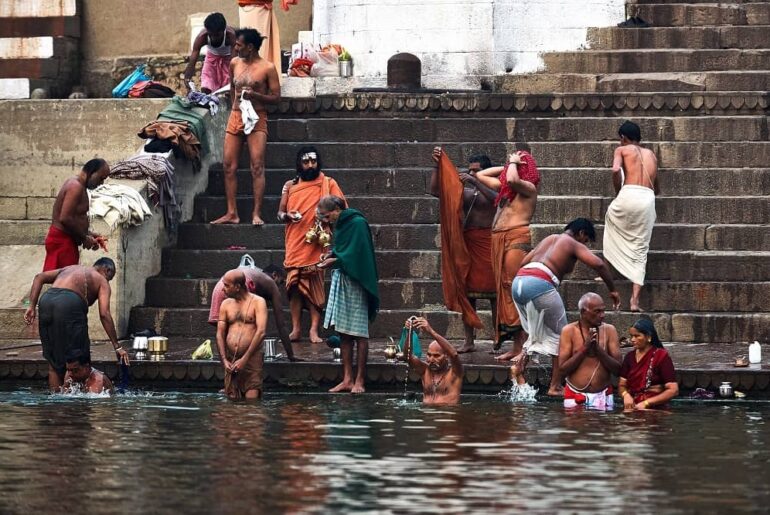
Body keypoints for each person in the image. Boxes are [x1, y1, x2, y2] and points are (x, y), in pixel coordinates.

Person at [511, 218, 620, 396]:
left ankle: (519, 367)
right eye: (585, 241)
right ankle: (555, 387)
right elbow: (599, 264)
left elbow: (524, 262)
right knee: (562, 335)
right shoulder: (571, 242)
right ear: (582, 233)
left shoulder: (549, 239)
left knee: (536, 330)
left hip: (519, 282)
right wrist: (613, 290)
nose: (584, 245)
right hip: (539, 283)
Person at [23, 258, 130, 391]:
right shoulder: (101, 280)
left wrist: (32, 306)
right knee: (79, 361)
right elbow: (104, 314)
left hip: (46, 301)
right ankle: (79, 404)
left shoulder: (70, 268)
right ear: (107, 270)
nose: (108, 281)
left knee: (54, 363)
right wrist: (117, 346)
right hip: (70, 304)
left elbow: (39, 277)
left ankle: (55, 402)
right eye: (110, 278)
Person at [430, 148, 498, 353]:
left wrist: (476, 180)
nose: (471, 173)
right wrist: (436, 165)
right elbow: (436, 192)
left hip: (488, 247)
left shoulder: (496, 189)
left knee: (495, 297)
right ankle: (469, 341)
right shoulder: (467, 194)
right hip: (467, 246)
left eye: (476, 170)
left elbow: (497, 201)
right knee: (467, 296)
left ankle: (498, 340)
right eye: (470, 170)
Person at [211, 28, 281, 226]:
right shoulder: (234, 63)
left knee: (257, 166)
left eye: (239, 46)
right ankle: (232, 213)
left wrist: (256, 96)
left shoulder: (267, 68)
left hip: (257, 117)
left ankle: (256, 214)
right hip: (236, 116)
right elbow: (232, 88)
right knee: (228, 166)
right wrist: (236, 105)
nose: (235, 48)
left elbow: (276, 98)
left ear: (250, 47)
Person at [278, 147, 346, 343]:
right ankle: (296, 328)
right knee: (293, 286)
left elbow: (341, 208)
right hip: (294, 242)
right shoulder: (289, 185)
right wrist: (287, 216)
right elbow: (280, 212)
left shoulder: (328, 183)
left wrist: (325, 219)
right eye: (306, 162)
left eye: (313, 162)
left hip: (317, 243)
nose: (310, 165)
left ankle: (314, 331)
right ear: (299, 163)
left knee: (314, 286)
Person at [475, 149, 539, 359]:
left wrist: (513, 165)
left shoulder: (528, 188)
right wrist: (508, 165)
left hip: (516, 238)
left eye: (518, 165)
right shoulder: (506, 189)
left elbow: (512, 179)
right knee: (504, 290)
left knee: (514, 288)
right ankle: (516, 347)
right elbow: (480, 176)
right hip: (499, 240)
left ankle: (524, 347)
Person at [318, 196, 379, 394]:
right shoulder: (341, 224)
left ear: (337, 209)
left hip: (358, 280)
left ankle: (360, 380)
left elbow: (358, 253)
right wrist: (332, 254)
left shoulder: (358, 222)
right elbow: (344, 249)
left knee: (359, 333)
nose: (326, 221)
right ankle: (347, 379)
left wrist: (335, 260)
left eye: (327, 216)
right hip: (343, 278)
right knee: (343, 333)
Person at [604, 120, 660, 312]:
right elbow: (657, 187)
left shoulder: (622, 150)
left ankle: (607, 269)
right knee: (640, 249)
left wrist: (618, 190)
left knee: (611, 220)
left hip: (628, 192)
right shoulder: (652, 154)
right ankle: (634, 302)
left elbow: (614, 170)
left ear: (623, 138)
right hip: (647, 198)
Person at [208, 264, 298, 361]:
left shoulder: (255, 275)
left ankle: (225, 360)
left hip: (220, 285)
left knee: (222, 327)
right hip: (237, 285)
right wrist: (291, 355)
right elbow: (281, 325)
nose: (279, 287)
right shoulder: (271, 284)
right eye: (280, 282)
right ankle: (242, 359)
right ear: (274, 275)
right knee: (249, 327)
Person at [556, 293, 621, 410]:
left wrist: (598, 350)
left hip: (604, 395)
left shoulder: (610, 330)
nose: (602, 315)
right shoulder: (568, 331)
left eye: (603, 311)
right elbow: (562, 369)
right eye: (597, 311)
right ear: (583, 312)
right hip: (575, 396)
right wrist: (584, 348)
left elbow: (619, 370)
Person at [44, 158, 110, 271]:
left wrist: (89, 234)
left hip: (67, 240)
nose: (101, 183)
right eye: (101, 178)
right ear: (91, 172)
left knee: (63, 280)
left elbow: (74, 217)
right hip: (62, 241)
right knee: (65, 282)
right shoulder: (75, 186)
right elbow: (65, 218)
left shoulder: (78, 185)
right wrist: (84, 238)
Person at [215, 269, 268, 400]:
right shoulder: (225, 304)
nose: (223, 289)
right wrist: (224, 360)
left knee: (252, 402)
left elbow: (261, 332)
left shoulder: (258, 302)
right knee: (232, 401)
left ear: (238, 287)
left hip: (252, 358)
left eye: (226, 286)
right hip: (231, 358)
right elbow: (219, 333)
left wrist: (244, 359)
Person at [619, 318, 678, 410]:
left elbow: (673, 390)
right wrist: (625, 395)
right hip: (632, 407)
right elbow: (621, 385)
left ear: (648, 337)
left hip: (655, 409)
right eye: (631, 336)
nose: (632, 340)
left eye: (637, 336)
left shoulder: (661, 356)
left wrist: (646, 403)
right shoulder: (629, 357)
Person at [402, 317, 463, 404]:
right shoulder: (425, 371)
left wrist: (431, 331)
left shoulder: (455, 373)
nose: (431, 359)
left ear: (446, 356)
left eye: (436, 356)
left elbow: (454, 354)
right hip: (427, 415)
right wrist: (410, 331)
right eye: (429, 355)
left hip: (446, 414)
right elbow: (407, 356)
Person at [184, 12, 237, 94]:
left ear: (223, 30)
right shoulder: (202, 37)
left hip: (228, 60)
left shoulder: (231, 35)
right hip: (211, 59)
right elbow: (192, 62)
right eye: (211, 35)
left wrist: (234, 76)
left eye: (217, 35)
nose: (214, 38)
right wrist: (187, 78)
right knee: (206, 87)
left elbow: (234, 62)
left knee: (228, 89)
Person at [237, 0, 288, 69]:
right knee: (249, 44)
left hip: (260, 8)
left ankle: (261, 74)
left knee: (260, 47)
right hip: (250, 7)